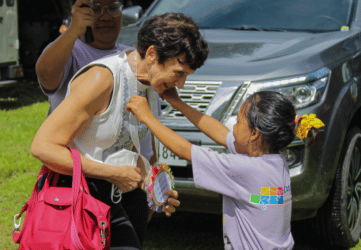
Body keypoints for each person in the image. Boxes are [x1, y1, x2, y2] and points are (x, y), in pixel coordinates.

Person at [31, 12, 209, 249]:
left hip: (120, 197)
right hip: (78, 198)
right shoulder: (102, 79)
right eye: (179, 73)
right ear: (153, 55)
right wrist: (110, 173)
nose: (181, 85)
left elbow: (126, 146)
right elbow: (42, 147)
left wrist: (154, 185)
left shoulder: (149, 82)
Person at [126, 90, 325, 250]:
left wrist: (147, 117)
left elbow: (185, 150)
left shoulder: (245, 169)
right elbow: (221, 133)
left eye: (238, 121)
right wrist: (177, 102)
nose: (233, 126)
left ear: (254, 134)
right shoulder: (274, 160)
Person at [35, 0, 157, 245]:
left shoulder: (132, 58)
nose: (105, 16)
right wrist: (73, 31)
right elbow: (46, 77)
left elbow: (143, 130)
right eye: (95, 9)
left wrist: (151, 184)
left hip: (129, 186)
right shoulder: (73, 50)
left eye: (112, 8)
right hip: (82, 185)